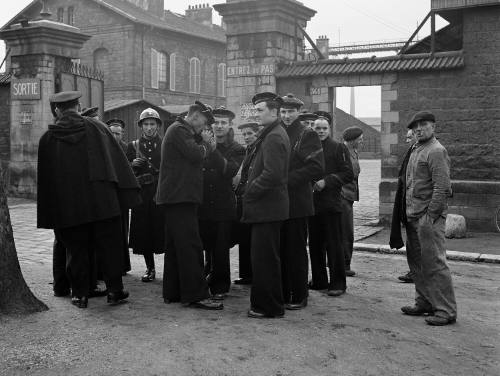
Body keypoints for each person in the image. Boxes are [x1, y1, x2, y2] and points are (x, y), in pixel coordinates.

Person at [37, 91, 141, 308]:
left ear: (57, 110)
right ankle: (115, 291)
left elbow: (46, 181)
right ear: (79, 105)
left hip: (69, 206)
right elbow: (118, 161)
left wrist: (51, 212)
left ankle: (79, 295)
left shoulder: (47, 139)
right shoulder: (98, 127)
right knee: (109, 247)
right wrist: (125, 193)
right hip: (103, 202)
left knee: (76, 250)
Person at [156, 101, 223, 310]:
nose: (204, 128)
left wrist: (201, 142)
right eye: (204, 123)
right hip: (180, 198)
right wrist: (207, 145)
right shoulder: (179, 130)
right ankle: (197, 295)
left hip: (176, 198)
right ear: (194, 117)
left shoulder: (179, 130)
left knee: (176, 246)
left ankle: (174, 291)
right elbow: (196, 154)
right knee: (191, 246)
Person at [401, 111, 456, 326]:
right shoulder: (416, 149)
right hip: (413, 215)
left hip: (427, 218)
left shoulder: (436, 151)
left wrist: (430, 215)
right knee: (417, 263)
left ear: (433, 127)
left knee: (434, 264)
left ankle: (445, 310)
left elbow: (442, 186)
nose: (418, 129)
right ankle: (423, 302)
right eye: (415, 126)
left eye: (423, 125)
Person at [240, 92, 290, 318]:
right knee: (264, 259)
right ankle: (267, 304)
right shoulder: (272, 133)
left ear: (274, 111)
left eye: (260, 110)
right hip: (267, 209)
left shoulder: (274, 137)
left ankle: (269, 307)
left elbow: (273, 174)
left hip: (267, 209)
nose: (256, 114)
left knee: (265, 260)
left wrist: (250, 191)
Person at [279, 94, 324, 310]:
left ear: (299, 112)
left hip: (297, 201)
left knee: (295, 249)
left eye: (291, 111)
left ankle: (299, 294)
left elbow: (316, 167)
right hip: (278, 202)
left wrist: (285, 181)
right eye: (283, 112)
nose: (287, 116)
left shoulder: (306, 134)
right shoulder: (277, 131)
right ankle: (283, 290)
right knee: (281, 248)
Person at [199, 107, 245, 299]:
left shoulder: (237, 149)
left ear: (229, 125)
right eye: (215, 122)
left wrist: (213, 149)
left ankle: (221, 286)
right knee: (206, 245)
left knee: (220, 248)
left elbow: (229, 171)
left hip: (223, 205)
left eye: (223, 123)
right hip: (203, 204)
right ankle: (207, 278)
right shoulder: (200, 144)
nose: (218, 126)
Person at [308, 116, 354, 296]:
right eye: (317, 128)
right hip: (312, 204)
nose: (320, 131)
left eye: (324, 128)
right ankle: (319, 280)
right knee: (315, 244)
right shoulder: (309, 148)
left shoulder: (338, 147)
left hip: (331, 203)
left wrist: (326, 182)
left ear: (329, 129)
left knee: (334, 245)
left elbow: (348, 173)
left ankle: (338, 284)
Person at [126, 109, 166, 282]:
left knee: (163, 230)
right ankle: (150, 268)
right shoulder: (133, 146)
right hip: (142, 196)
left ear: (157, 125)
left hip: (160, 194)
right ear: (141, 127)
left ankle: (170, 268)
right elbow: (124, 171)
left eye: (152, 124)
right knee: (144, 232)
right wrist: (131, 164)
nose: (149, 128)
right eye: (146, 124)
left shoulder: (166, 144)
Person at [233, 122, 260, 285]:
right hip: (243, 198)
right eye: (244, 134)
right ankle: (246, 274)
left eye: (250, 134)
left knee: (252, 239)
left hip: (253, 199)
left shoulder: (259, 150)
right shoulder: (248, 150)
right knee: (244, 238)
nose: (247, 137)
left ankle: (252, 274)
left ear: (257, 134)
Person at [106, 118, 132, 275]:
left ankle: (123, 265)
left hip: (122, 195)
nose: (115, 136)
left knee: (123, 230)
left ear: (122, 134)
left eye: (118, 133)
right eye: (112, 133)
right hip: (109, 196)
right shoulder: (104, 147)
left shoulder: (126, 148)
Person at [391, 129, 417, 284]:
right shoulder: (412, 151)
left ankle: (417, 272)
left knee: (416, 242)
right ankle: (414, 271)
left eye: (409, 137)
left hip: (416, 205)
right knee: (411, 241)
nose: (407, 141)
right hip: (407, 203)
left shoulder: (423, 151)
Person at [341, 126, 364, 277]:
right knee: (345, 232)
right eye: (360, 139)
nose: (362, 141)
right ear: (353, 139)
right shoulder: (341, 152)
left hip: (349, 197)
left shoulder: (354, 152)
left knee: (346, 232)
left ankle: (343, 263)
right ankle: (343, 264)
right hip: (341, 196)